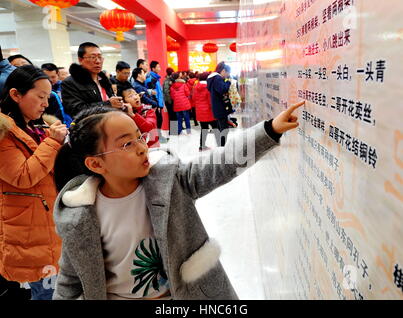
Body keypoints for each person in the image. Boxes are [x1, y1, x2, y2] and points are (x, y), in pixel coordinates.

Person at [51, 100, 304, 300]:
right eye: (127, 144)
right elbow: (70, 279)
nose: (142, 147)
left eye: (139, 136)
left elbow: (222, 162)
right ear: (96, 163)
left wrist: (269, 130)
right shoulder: (79, 214)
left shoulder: (170, 181)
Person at [0, 65, 68, 300]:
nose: (45, 104)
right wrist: (53, 142)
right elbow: (22, 176)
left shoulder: (36, 127)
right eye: (40, 97)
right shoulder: (4, 133)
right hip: (28, 232)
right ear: (16, 95)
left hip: (47, 223)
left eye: (47, 97)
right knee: (47, 294)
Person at [61, 42, 123, 117]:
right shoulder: (70, 83)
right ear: (80, 60)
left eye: (100, 57)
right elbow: (76, 110)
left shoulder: (104, 80)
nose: (98, 61)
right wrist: (108, 104)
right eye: (92, 57)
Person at [207, 61, 232, 147]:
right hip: (220, 107)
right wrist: (228, 82)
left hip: (217, 107)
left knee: (221, 128)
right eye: (228, 73)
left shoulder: (213, 78)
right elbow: (222, 89)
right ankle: (222, 147)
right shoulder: (217, 78)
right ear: (223, 71)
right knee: (224, 129)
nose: (227, 75)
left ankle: (220, 146)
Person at [192, 72, 218, 151]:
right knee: (216, 128)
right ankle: (220, 144)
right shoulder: (208, 87)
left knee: (204, 129)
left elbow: (193, 98)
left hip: (200, 112)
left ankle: (202, 146)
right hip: (209, 112)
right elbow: (210, 101)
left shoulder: (195, 87)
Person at [145, 60, 166, 143]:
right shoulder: (151, 78)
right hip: (155, 104)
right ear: (153, 68)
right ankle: (156, 138)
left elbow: (159, 92)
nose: (160, 68)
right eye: (158, 67)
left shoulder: (155, 78)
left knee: (159, 120)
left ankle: (158, 136)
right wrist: (156, 104)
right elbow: (152, 93)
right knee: (157, 120)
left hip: (158, 103)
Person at [162, 67, 177, 135]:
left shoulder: (169, 80)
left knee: (173, 116)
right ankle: (173, 131)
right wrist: (170, 101)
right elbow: (166, 91)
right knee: (172, 116)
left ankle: (174, 131)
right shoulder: (167, 81)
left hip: (169, 101)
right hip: (169, 101)